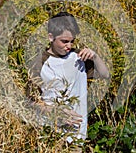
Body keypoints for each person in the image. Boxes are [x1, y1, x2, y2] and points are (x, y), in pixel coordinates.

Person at [31, 11, 110, 148]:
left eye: (72, 41)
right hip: (51, 134)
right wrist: (56, 112)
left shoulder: (79, 57)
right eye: (64, 41)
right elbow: (31, 101)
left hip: (77, 134)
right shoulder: (40, 63)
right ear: (51, 37)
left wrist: (95, 57)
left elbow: (105, 75)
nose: (69, 45)